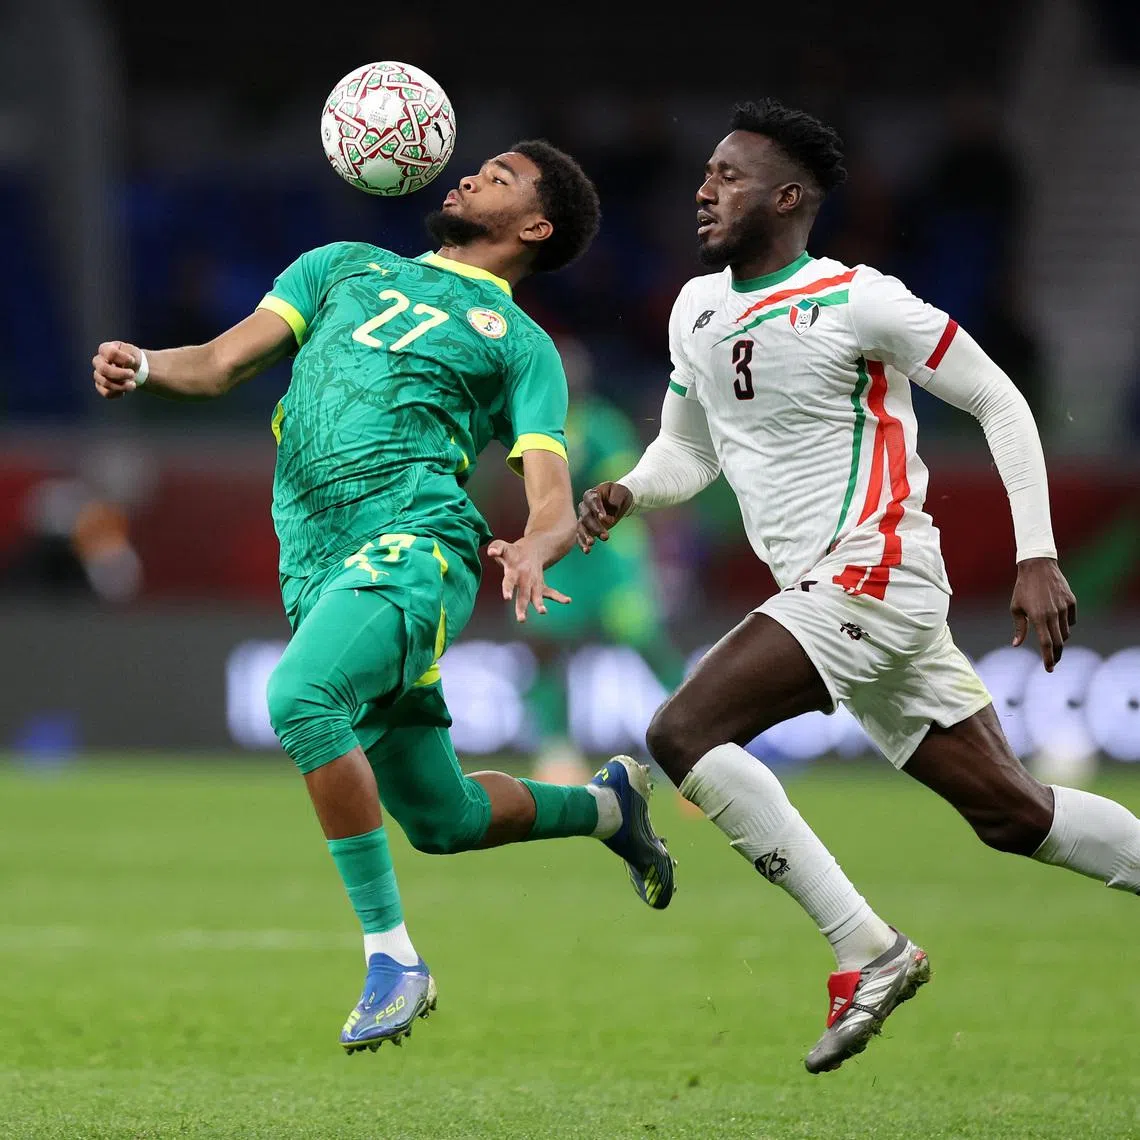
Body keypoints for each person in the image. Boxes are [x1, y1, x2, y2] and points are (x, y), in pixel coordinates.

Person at [577, 100, 1140, 1075]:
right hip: (842, 594)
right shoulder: (696, 309)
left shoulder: (857, 300)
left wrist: (1037, 552)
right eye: (704, 172)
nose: (704, 188)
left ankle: (866, 950)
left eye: (730, 176)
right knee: (1014, 815)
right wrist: (632, 487)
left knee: (680, 733)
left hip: (869, 576)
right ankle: (876, 946)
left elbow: (997, 396)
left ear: (788, 198)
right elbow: (687, 451)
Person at [92, 140, 675, 1054]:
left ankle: (393, 959)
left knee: (298, 697)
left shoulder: (523, 348)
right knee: (444, 820)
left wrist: (535, 545)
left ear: (535, 226)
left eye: (503, 177)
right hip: (316, 561)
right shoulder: (338, 267)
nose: (474, 174)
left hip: (416, 547)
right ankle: (606, 807)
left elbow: (554, 499)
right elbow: (215, 363)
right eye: (478, 165)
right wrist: (146, 365)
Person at [513, 335, 685, 779]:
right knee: (545, 646)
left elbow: (625, 488)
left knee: (644, 642)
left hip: (612, 558)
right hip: (565, 557)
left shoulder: (603, 426)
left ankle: (693, 731)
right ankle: (557, 750)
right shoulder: (536, 426)